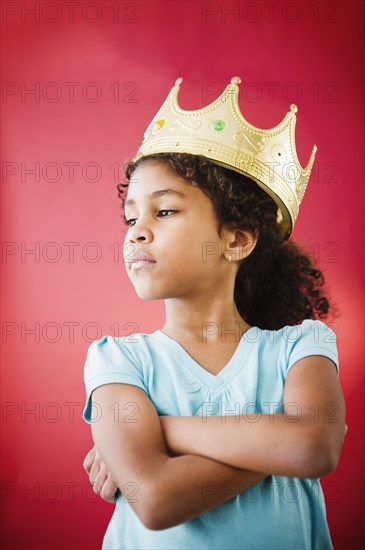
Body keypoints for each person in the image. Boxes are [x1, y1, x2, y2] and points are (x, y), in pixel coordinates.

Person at [82, 77, 347, 549]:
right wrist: (276, 438)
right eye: (130, 216)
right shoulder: (117, 360)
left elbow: (313, 448)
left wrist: (162, 430)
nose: (136, 232)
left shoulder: (301, 345)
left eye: (164, 212)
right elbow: (157, 498)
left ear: (237, 239)